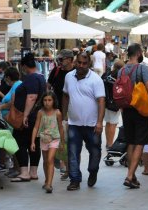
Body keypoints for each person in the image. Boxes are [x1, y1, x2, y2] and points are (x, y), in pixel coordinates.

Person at [119, 43, 148, 189]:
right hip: (140, 109)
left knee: (130, 142)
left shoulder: (122, 70)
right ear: (138, 53)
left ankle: (133, 175)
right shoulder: (142, 67)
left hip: (126, 109)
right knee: (140, 142)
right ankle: (130, 176)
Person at [62, 52, 105, 191]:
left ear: (89, 64)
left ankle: (93, 172)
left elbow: (101, 101)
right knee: (72, 152)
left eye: (84, 63)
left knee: (95, 152)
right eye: (79, 62)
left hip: (92, 125)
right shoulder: (69, 76)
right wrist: (64, 117)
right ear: (75, 62)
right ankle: (75, 180)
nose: (81, 65)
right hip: (74, 124)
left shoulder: (96, 80)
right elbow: (65, 95)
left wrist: (99, 122)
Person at [10, 53, 46, 182]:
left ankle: (24, 172)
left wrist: (25, 115)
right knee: (34, 142)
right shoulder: (41, 77)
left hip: (28, 117)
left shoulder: (31, 78)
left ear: (24, 66)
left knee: (19, 142)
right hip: (37, 116)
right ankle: (33, 172)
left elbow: (32, 97)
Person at [47, 49, 75, 181]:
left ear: (70, 59)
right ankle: (64, 165)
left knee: (69, 140)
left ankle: (69, 168)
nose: (59, 62)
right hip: (56, 111)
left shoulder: (76, 72)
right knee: (58, 138)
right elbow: (48, 86)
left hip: (72, 111)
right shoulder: (56, 71)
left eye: (61, 59)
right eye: (58, 60)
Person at [31, 91, 65, 193]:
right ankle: (46, 180)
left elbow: (60, 127)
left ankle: (49, 184)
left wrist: (62, 142)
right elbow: (36, 127)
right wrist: (32, 142)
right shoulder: (40, 112)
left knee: (50, 159)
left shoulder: (58, 113)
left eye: (49, 100)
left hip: (55, 139)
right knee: (46, 161)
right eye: (45, 100)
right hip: (44, 139)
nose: (47, 102)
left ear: (53, 101)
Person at [0, 67, 22, 174]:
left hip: (12, 120)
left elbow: (13, 102)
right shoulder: (15, 85)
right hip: (8, 119)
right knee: (10, 143)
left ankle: (17, 168)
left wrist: (0, 108)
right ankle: (14, 167)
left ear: (8, 77)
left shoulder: (16, 85)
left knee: (11, 144)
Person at [104, 60, 124, 149]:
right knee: (113, 123)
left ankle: (108, 142)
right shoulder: (120, 76)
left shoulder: (107, 74)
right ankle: (110, 144)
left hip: (106, 102)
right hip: (115, 103)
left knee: (108, 123)